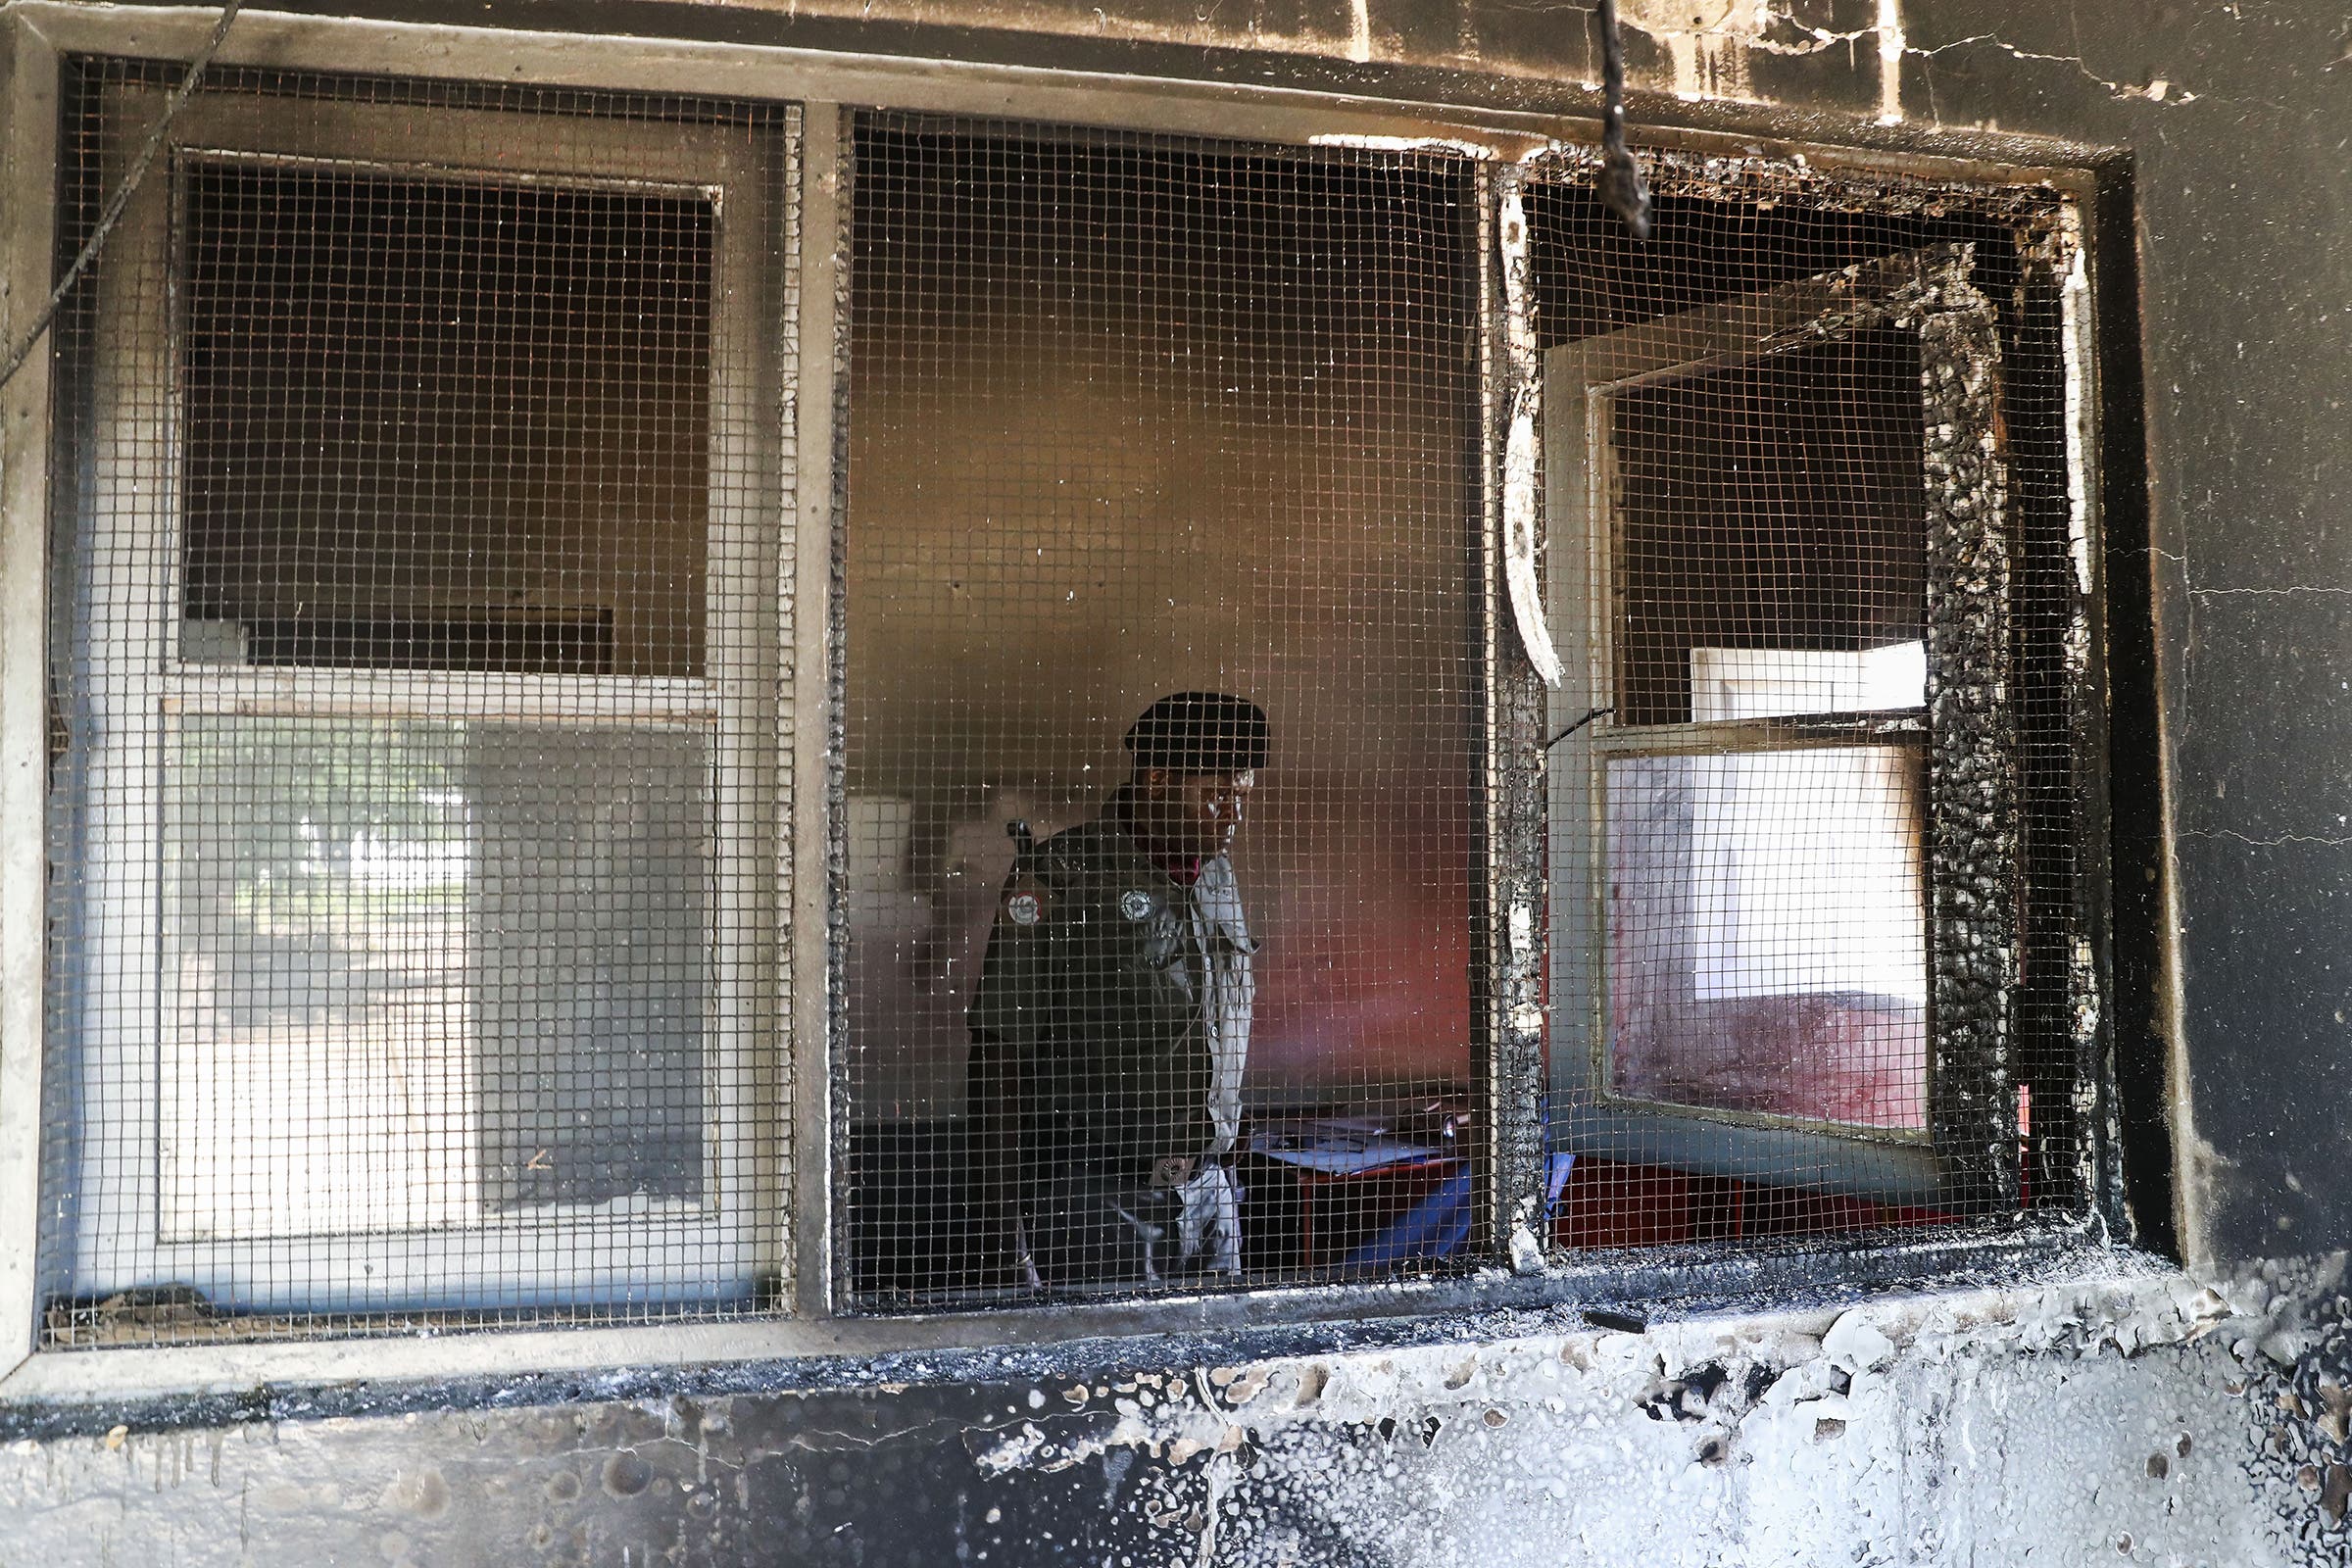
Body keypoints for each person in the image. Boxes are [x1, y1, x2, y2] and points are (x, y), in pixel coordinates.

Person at [965, 692, 1266, 1288]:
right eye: (1214, 794)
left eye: (1241, 795)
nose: (1231, 814)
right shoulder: (1063, 875)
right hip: (1099, 1207)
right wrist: (1006, 1236)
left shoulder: (1217, 878)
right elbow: (999, 1051)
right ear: (1156, 780)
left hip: (1209, 1201)